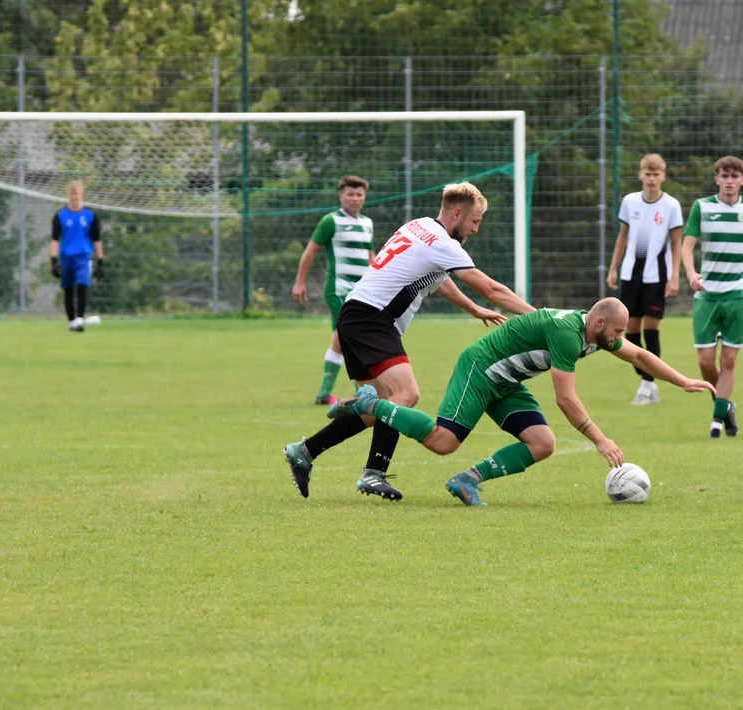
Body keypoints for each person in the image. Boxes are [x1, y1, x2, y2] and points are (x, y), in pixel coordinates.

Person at [283, 182, 536, 501]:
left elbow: (439, 279)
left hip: (356, 314)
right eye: (475, 221)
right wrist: (539, 316)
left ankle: (305, 451)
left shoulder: (419, 226)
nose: (475, 228)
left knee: (379, 406)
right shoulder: (444, 243)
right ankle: (373, 473)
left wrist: (472, 308)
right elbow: (491, 288)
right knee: (406, 395)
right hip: (370, 319)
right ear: (457, 213)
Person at [328, 298, 714, 506]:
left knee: (542, 443)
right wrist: (600, 438)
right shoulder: (568, 333)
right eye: (616, 331)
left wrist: (681, 381)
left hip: (507, 380)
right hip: (480, 369)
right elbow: (565, 398)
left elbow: (640, 356)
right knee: (443, 442)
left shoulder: (597, 333)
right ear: (598, 324)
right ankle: (373, 403)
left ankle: (468, 481)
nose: (618, 339)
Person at [682, 156, 743, 439]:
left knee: (729, 360)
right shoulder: (702, 207)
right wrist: (691, 273)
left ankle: (717, 422)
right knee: (704, 361)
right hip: (707, 294)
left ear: (742, 180)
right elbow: (687, 245)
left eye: (734, 176)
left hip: (740, 294)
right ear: (717, 179)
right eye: (724, 175)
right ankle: (726, 405)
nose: (729, 180)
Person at [606, 154, 684, 406]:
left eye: (656, 174)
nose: (651, 179)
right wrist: (613, 268)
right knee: (628, 331)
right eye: (647, 174)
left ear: (663, 176)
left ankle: (647, 385)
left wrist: (674, 276)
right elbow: (623, 237)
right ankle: (646, 377)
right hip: (631, 275)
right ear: (640, 175)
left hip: (656, 276)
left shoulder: (671, 206)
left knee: (652, 328)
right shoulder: (630, 202)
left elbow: (676, 243)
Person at [291, 175, 376, 405]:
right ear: (341, 196)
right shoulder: (331, 221)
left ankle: (325, 394)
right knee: (352, 338)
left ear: (364, 197)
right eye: (350, 194)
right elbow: (310, 252)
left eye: (359, 194)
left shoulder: (367, 223)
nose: (355, 199)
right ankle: (363, 393)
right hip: (338, 291)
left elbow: (371, 258)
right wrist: (300, 282)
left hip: (361, 292)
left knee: (340, 341)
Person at [49, 181, 103, 332]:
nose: (74, 197)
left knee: (82, 285)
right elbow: (54, 240)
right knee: (68, 289)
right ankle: (72, 321)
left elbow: (97, 240)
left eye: (77, 194)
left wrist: (100, 262)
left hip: (83, 256)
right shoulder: (60, 216)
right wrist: (53, 261)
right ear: (68, 196)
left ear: (82, 195)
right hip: (66, 257)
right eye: (72, 194)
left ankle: (79, 320)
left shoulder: (90, 216)